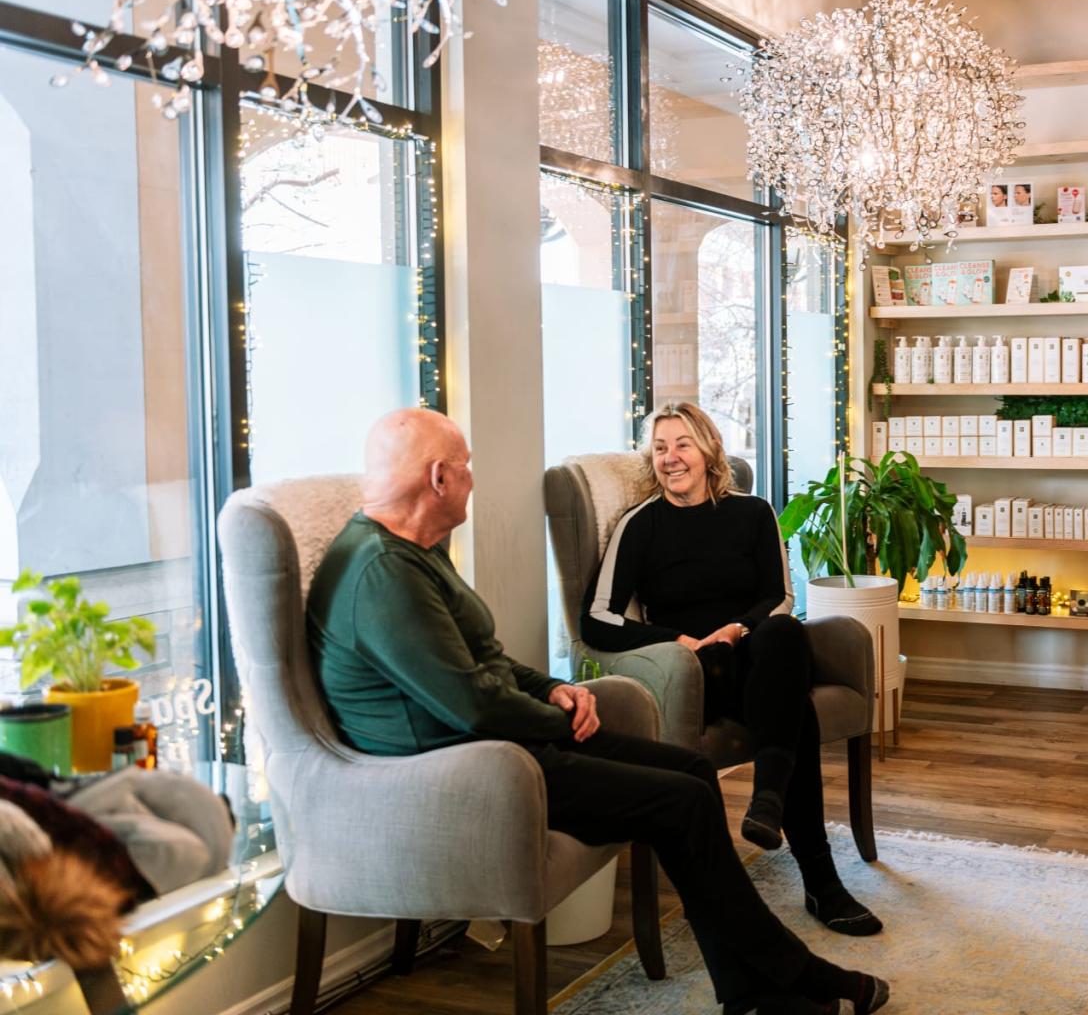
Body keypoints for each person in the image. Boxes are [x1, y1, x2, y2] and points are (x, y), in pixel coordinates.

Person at [306, 409, 888, 1015]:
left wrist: (552, 687)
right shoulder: (382, 574)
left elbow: (484, 663)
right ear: (437, 479)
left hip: (503, 743)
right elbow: (475, 705)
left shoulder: (413, 553)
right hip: (466, 770)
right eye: (466, 466)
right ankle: (800, 975)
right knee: (685, 800)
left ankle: (752, 986)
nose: (475, 479)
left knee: (694, 768)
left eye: (682, 444)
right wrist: (561, 718)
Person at [582, 402, 882, 939]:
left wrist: (737, 629)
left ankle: (771, 803)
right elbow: (598, 619)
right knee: (794, 709)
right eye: (660, 448)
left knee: (783, 634)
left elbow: (778, 596)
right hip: (698, 672)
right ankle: (821, 881)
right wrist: (675, 639)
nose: (671, 458)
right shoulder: (640, 526)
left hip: (757, 653)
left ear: (709, 450)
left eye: (682, 445)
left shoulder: (753, 512)